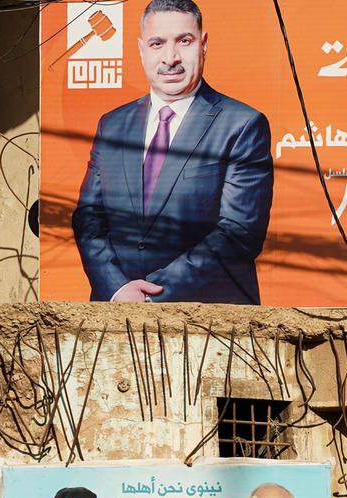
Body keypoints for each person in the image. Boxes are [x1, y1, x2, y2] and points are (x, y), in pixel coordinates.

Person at [73, 0, 273, 303]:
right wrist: (116, 288)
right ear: (141, 50)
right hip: (116, 314)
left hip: (210, 322)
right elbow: (89, 217)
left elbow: (238, 232)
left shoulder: (243, 124)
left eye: (184, 41)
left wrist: (151, 294)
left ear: (203, 45)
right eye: (157, 43)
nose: (171, 58)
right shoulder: (112, 125)